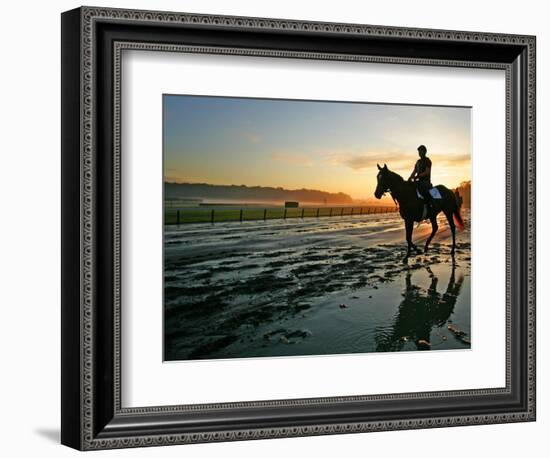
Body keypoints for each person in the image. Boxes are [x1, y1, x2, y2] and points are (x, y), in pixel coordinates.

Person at [408, 145, 433, 214]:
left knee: (423, 190)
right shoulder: (418, 162)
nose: (419, 153)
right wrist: (410, 177)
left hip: (425, 182)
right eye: (418, 151)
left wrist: (418, 176)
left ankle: (429, 206)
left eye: (420, 151)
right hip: (418, 181)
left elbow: (427, 172)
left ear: (424, 152)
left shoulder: (428, 161)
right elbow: (414, 171)